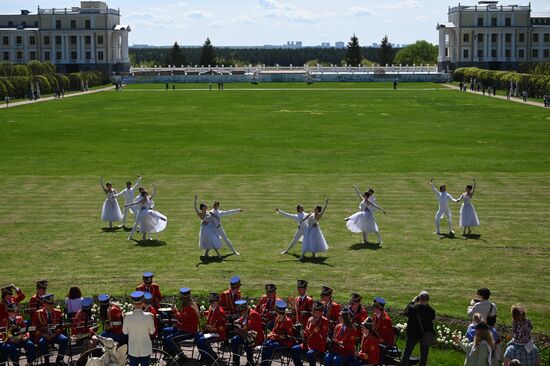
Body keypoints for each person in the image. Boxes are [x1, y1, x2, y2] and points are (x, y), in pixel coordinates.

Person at [400, 291, 436, 366]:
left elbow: (406, 311)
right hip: (425, 335)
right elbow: (432, 315)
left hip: (413, 334)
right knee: (424, 354)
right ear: (428, 300)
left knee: (407, 352)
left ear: (419, 299)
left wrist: (413, 301)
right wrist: (427, 304)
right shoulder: (431, 311)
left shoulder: (412, 308)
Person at [32, 294, 69, 366]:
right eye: (49, 304)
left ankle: (59, 359)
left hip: (55, 334)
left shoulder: (57, 312)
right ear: (44, 304)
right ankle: (46, 359)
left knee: (64, 339)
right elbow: (34, 328)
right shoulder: (38, 313)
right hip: (44, 335)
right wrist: (43, 334)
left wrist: (54, 334)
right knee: (41, 342)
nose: (52, 305)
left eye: (52, 303)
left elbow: (61, 327)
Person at [163, 288, 199, 358]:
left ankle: (181, 355)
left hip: (189, 331)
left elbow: (181, 319)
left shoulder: (190, 308)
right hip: (183, 328)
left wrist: (175, 311)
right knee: (165, 331)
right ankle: (170, 352)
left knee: (169, 339)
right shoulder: (188, 306)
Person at [291, 300, 329, 366]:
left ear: (320, 313)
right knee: (294, 349)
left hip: (317, 346)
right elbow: (307, 331)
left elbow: (322, 335)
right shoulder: (310, 319)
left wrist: (314, 324)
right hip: (307, 344)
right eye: (312, 311)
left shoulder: (324, 321)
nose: (312, 313)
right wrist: (303, 333)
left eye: (315, 312)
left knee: (309, 354)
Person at [122, 291, 155, 366]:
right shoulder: (149, 316)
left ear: (132, 303)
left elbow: (125, 332)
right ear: (143, 302)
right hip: (145, 348)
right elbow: (152, 332)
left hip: (133, 348)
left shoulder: (127, 316)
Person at [260, 300, 296, 366]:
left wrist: (273, 335)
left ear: (277, 311)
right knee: (265, 344)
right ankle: (263, 363)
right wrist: (270, 334)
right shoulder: (277, 318)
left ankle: (266, 364)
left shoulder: (288, 321)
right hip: (277, 339)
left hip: (285, 342)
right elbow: (274, 330)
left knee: (270, 346)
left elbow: (287, 336)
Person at [195, 292, 227, 364]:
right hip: (211, 331)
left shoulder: (220, 312)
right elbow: (210, 316)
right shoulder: (212, 309)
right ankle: (204, 356)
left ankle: (213, 357)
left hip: (218, 333)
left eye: (213, 302)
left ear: (217, 302)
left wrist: (213, 329)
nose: (211, 303)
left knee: (202, 340)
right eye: (210, 302)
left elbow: (223, 327)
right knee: (197, 336)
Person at [231, 300, 264, 366]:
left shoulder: (253, 314)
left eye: (241, 311)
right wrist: (237, 322)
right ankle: (236, 361)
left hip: (255, 336)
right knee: (234, 340)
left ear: (245, 309)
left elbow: (249, 328)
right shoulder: (246, 313)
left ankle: (250, 362)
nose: (240, 313)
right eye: (239, 312)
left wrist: (240, 329)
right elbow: (242, 319)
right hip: (246, 335)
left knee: (247, 342)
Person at [194, 194, 223, 258]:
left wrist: (218, 223)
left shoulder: (209, 212)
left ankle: (206, 254)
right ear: (202, 208)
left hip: (211, 228)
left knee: (211, 241)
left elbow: (216, 218)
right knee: (212, 240)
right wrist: (195, 199)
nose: (206, 206)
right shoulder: (201, 214)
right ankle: (218, 254)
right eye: (204, 206)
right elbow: (195, 208)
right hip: (205, 229)